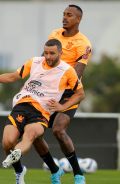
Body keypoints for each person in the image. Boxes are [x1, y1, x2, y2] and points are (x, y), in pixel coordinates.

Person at [0, 39, 85, 184]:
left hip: (41, 113)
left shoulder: (68, 71)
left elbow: (80, 94)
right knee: (7, 143)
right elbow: (13, 76)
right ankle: (19, 170)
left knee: (30, 136)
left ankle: (18, 153)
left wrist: (63, 107)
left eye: (52, 53)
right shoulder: (35, 62)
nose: (48, 56)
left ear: (61, 53)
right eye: (46, 52)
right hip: (21, 106)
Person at [32, 5, 92, 184]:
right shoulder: (55, 34)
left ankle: (78, 174)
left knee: (58, 130)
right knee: (33, 132)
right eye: (64, 14)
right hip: (45, 91)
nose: (64, 17)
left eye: (69, 15)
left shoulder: (83, 44)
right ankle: (54, 170)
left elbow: (77, 74)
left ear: (78, 19)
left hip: (68, 93)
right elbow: (43, 60)